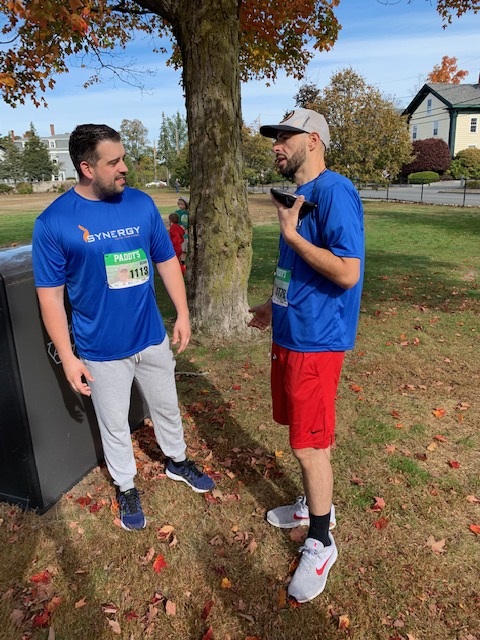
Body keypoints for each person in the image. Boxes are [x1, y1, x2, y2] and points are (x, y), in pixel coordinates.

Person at [32, 124, 214, 532]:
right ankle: (126, 485)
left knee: (166, 406)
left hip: (151, 337)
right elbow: (51, 298)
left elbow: (165, 260)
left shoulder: (141, 204)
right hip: (101, 350)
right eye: (113, 162)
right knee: (113, 424)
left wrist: (182, 313)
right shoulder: (54, 222)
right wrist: (68, 358)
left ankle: (177, 460)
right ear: (86, 168)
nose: (124, 168)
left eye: (123, 159)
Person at [249, 108, 364, 603]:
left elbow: (348, 272)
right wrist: (271, 305)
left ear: (313, 140)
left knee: (308, 445)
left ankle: (321, 540)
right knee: (305, 435)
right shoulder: (300, 195)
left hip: (317, 341)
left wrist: (294, 235)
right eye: (274, 137)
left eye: (285, 137)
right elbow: (294, 267)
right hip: (290, 332)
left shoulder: (335, 191)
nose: (276, 145)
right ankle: (315, 505)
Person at [175, 197, 189, 264]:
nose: (180, 206)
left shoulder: (189, 213)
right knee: (181, 249)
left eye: (182, 204)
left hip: (186, 234)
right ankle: (181, 263)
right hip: (180, 234)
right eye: (179, 204)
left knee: (185, 249)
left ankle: (183, 263)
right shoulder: (177, 213)